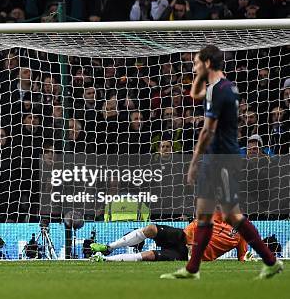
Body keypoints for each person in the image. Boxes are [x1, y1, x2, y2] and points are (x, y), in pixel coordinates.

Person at [160, 45, 283, 280]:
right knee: (204, 214)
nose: (193, 66)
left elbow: (207, 131)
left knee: (231, 216)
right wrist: (199, 75)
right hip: (214, 158)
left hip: (222, 159)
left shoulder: (220, 91)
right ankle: (192, 269)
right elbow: (194, 95)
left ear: (207, 63)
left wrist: (194, 162)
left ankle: (271, 261)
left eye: (196, 62)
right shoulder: (218, 87)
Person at [90, 211, 247, 262]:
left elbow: (243, 258)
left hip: (185, 255)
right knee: (151, 228)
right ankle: (108, 248)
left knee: (149, 255)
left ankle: (105, 259)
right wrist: (192, 243)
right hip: (182, 237)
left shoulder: (242, 236)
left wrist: (248, 258)